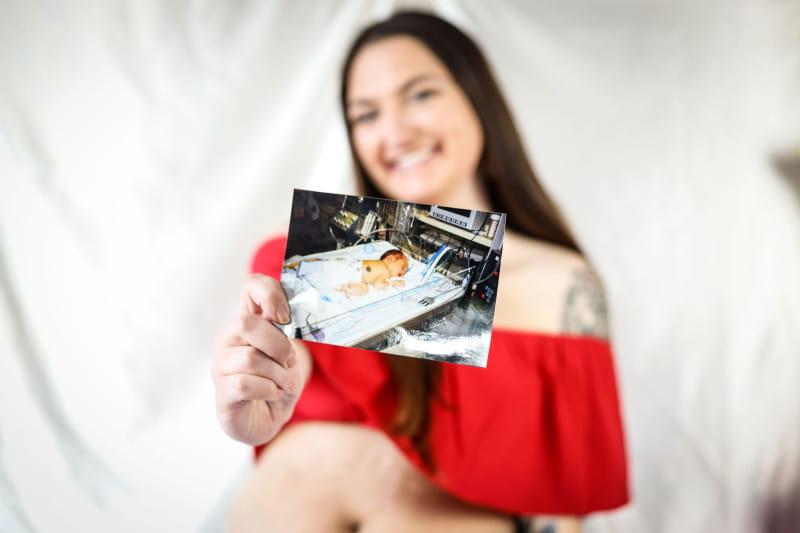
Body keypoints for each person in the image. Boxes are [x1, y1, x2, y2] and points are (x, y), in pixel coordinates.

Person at [211, 10, 629, 533]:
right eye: (365, 115)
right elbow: (288, 372)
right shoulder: (310, 261)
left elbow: (566, 500)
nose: (396, 133)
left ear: (478, 100)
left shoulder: (565, 286)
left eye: (421, 95)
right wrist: (260, 387)